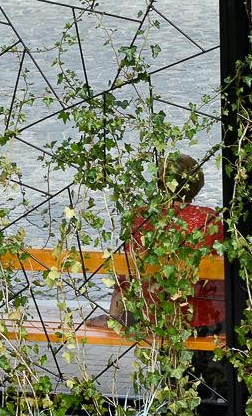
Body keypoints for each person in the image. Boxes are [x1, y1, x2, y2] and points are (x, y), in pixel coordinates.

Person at [95, 153, 229, 402]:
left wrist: (115, 315)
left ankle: (178, 389)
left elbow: (126, 274)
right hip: (199, 319)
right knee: (206, 311)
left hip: (151, 316)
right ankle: (203, 395)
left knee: (170, 313)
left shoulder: (140, 217)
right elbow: (223, 276)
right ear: (195, 185)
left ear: (159, 182)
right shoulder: (209, 219)